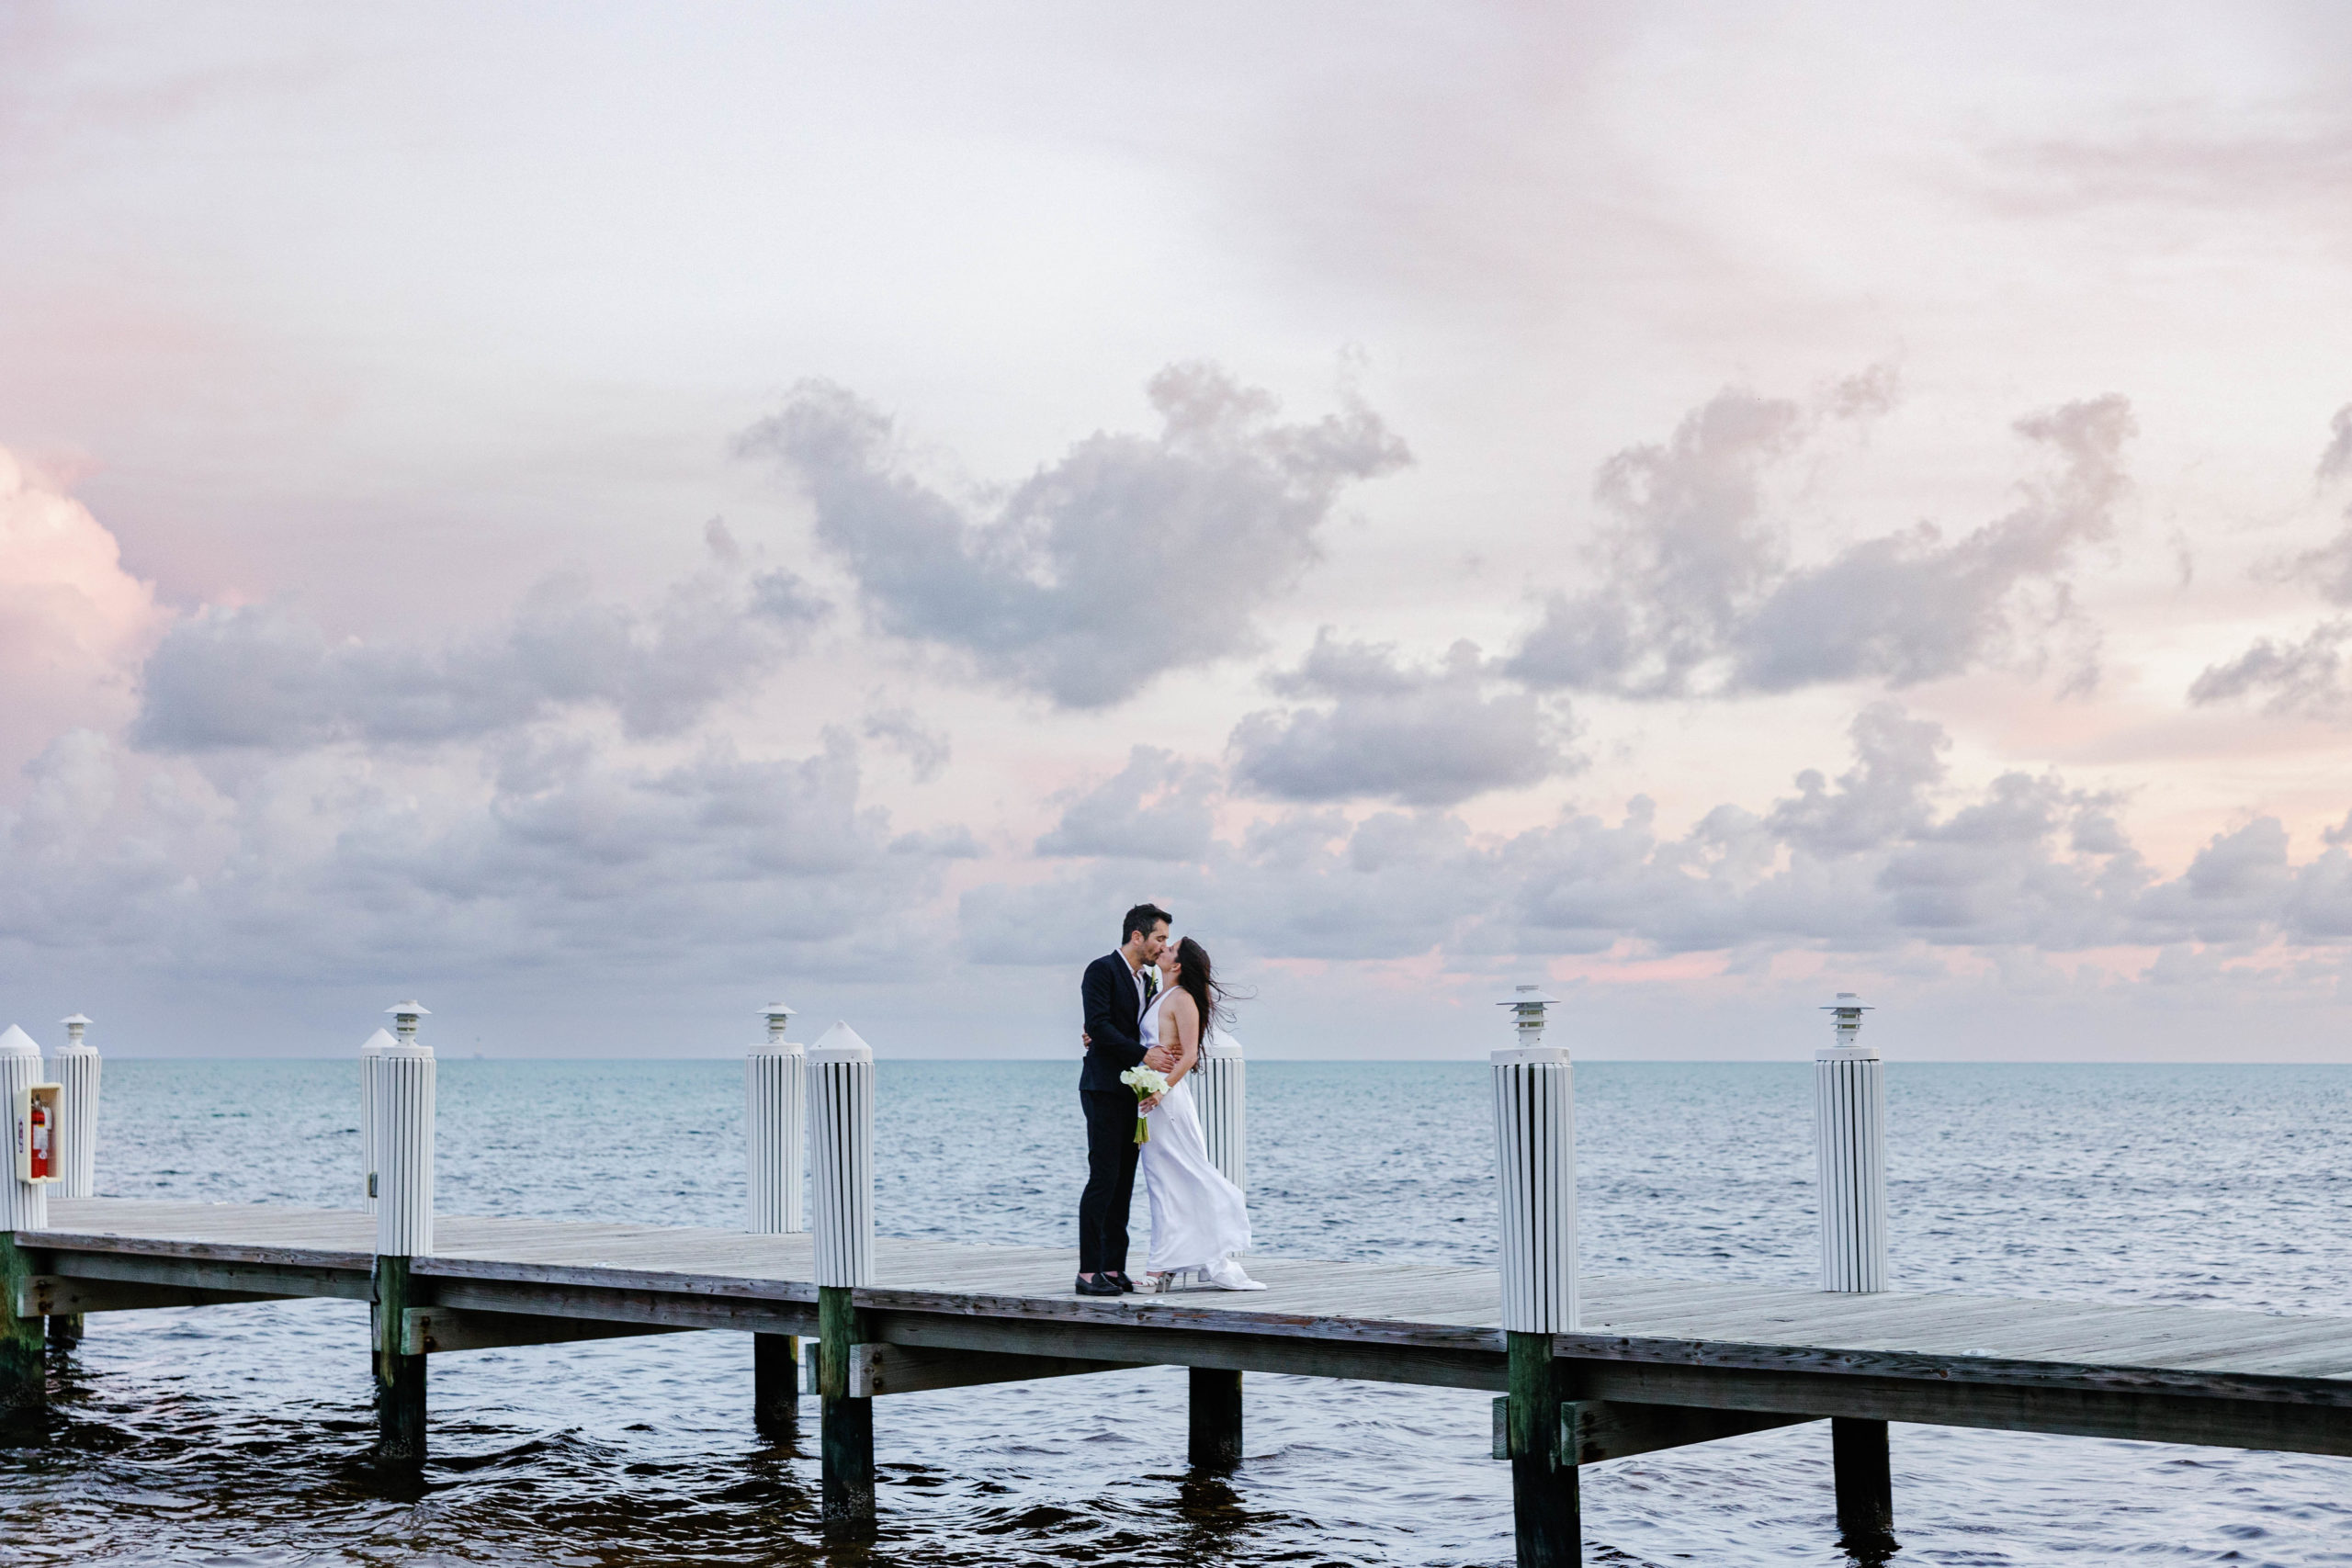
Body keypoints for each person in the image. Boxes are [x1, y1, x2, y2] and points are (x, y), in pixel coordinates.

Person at [1133, 935, 1262, 1291]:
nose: (1163, 949)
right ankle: (1176, 1258)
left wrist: (1160, 1091)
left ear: (1177, 965)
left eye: (1170, 948)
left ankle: (1161, 1265)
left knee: (1175, 1176)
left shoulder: (1184, 1000)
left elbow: (1189, 1055)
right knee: (1161, 1179)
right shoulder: (1157, 994)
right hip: (1150, 1095)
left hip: (1166, 1098)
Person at [1075, 903, 1179, 1296]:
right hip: (1102, 1087)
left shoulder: (1148, 979)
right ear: (1137, 936)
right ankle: (1088, 1271)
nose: (1162, 946)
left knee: (1123, 1181)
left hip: (1131, 1092)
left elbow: (1131, 1026)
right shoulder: (1101, 969)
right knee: (1102, 1178)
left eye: (1166, 940)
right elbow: (1098, 1025)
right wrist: (1142, 1055)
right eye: (1159, 938)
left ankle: (1114, 1267)